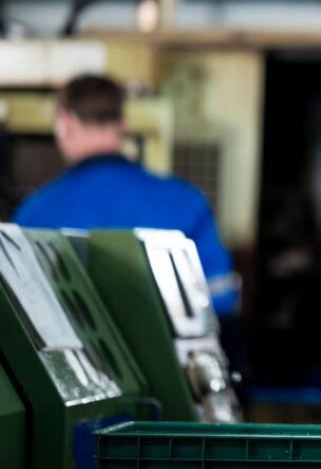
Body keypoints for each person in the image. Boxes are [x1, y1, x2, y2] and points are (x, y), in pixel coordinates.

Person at [13, 74, 239, 315]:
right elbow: (222, 297)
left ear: (65, 123)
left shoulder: (36, 212)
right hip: (166, 352)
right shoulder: (185, 200)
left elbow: (21, 308)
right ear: (123, 123)